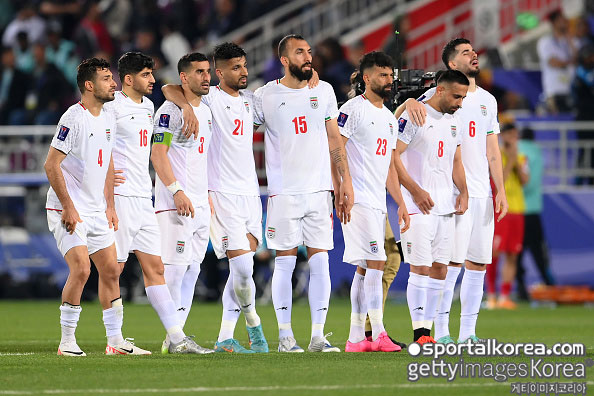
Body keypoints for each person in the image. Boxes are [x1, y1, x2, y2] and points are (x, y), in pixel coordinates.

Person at [396, 38, 508, 344]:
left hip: (480, 192)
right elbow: (401, 130)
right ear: (451, 64)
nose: (474, 54)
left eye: (474, 50)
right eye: (465, 52)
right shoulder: (434, 97)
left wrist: (500, 189)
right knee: (449, 264)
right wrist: (406, 103)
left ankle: (468, 334)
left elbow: (493, 151)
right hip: (449, 194)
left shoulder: (487, 100)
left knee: (478, 263)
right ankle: (440, 331)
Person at [162, 42, 268, 354]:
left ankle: (233, 333)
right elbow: (170, 87)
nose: (244, 72)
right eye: (236, 67)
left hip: (251, 194)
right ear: (219, 73)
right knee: (244, 268)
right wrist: (183, 106)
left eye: (245, 66)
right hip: (222, 194)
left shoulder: (251, 101)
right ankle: (247, 325)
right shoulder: (209, 101)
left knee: (242, 270)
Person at [253, 34, 354, 353]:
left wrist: (344, 182)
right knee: (284, 262)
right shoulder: (265, 95)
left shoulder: (324, 91)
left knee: (320, 261)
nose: (308, 57)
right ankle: (285, 337)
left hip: (319, 191)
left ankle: (317, 336)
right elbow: (240, 130)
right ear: (284, 60)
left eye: (309, 51)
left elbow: (335, 140)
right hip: (283, 194)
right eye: (300, 52)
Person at [106, 51, 211, 354]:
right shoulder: (112, 107)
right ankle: (114, 339)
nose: (153, 79)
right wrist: (103, 178)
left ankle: (176, 339)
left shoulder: (149, 105)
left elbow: (169, 88)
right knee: (114, 269)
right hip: (122, 197)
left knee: (157, 270)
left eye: (152, 74)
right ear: (128, 79)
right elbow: (95, 140)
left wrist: (185, 105)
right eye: (146, 74)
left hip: (143, 197)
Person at [44, 57, 149, 356]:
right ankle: (67, 341)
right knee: (80, 269)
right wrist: (68, 206)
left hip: (96, 209)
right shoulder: (73, 119)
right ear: (89, 86)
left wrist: (110, 205)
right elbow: (51, 165)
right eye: (106, 78)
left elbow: (108, 161)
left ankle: (115, 341)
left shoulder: (108, 117)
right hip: (67, 208)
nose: (113, 83)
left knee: (111, 271)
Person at [338, 51, 410, 353]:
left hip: (377, 202)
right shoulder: (352, 109)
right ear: (367, 78)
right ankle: (378, 333)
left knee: (366, 267)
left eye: (391, 75)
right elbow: (335, 147)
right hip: (358, 200)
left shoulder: (388, 119)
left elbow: (389, 168)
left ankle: (356, 338)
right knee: (376, 261)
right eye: (383, 75)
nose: (389, 80)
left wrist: (401, 203)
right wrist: (344, 186)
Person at [393, 69, 469, 345]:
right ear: (440, 90)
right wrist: (414, 190)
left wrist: (464, 190)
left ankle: (430, 331)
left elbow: (456, 160)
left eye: (462, 97)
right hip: (417, 206)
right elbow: (394, 156)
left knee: (440, 268)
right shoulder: (414, 115)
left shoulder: (455, 121)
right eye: (456, 96)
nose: (460, 102)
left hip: (444, 206)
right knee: (420, 267)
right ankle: (420, 333)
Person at [150, 52, 215, 354]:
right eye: (199, 72)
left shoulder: (207, 107)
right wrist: (176, 190)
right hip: (175, 202)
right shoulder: (169, 111)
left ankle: (175, 338)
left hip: (201, 203)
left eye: (208, 71)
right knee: (174, 270)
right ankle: (176, 337)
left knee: (193, 269)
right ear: (184, 78)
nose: (207, 77)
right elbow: (158, 154)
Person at [487, 123, 529, 309]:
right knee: (494, 253)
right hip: (499, 210)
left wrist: (516, 161)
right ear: (502, 135)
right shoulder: (495, 155)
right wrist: (510, 160)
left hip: (517, 210)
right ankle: (491, 296)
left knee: (512, 254)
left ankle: (505, 295)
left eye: (515, 135)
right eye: (509, 134)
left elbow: (524, 181)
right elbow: (498, 183)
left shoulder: (521, 157)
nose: (512, 138)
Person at [517, 128, 555, 299]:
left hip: (520, 208)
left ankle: (521, 289)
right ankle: (549, 284)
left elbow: (525, 182)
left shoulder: (521, 153)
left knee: (516, 253)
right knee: (538, 252)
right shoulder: (538, 153)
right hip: (534, 209)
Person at [536, 10, 578, 113]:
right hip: (555, 92)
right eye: (561, 20)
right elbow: (554, 63)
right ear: (553, 23)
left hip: (571, 90)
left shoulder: (571, 41)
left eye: (565, 20)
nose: (565, 22)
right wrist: (571, 62)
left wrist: (570, 39)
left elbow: (579, 59)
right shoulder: (546, 42)